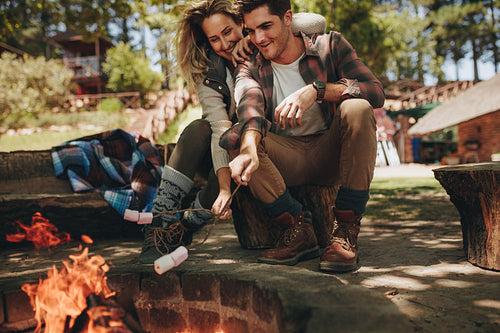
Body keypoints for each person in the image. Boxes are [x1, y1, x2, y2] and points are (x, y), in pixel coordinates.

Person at [139, 0, 326, 265]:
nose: (224, 44)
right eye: (214, 39)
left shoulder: (266, 43)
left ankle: (186, 226)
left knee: (239, 144)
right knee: (201, 130)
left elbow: (318, 22)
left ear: (241, 22)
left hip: (274, 146)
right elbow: (220, 132)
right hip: (231, 148)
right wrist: (225, 189)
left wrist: (254, 34)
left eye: (228, 32)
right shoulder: (211, 74)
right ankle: (160, 223)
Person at [221, 0, 385, 272]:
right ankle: (298, 230)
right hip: (286, 160)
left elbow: (375, 91)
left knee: (358, 107)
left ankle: (345, 230)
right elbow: (250, 105)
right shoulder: (249, 61)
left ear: (288, 18)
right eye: (251, 31)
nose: (259, 38)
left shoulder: (330, 45)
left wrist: (317, 90)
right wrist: (249, 147)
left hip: (331, 154)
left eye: (266, 26)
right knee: (238, 137)